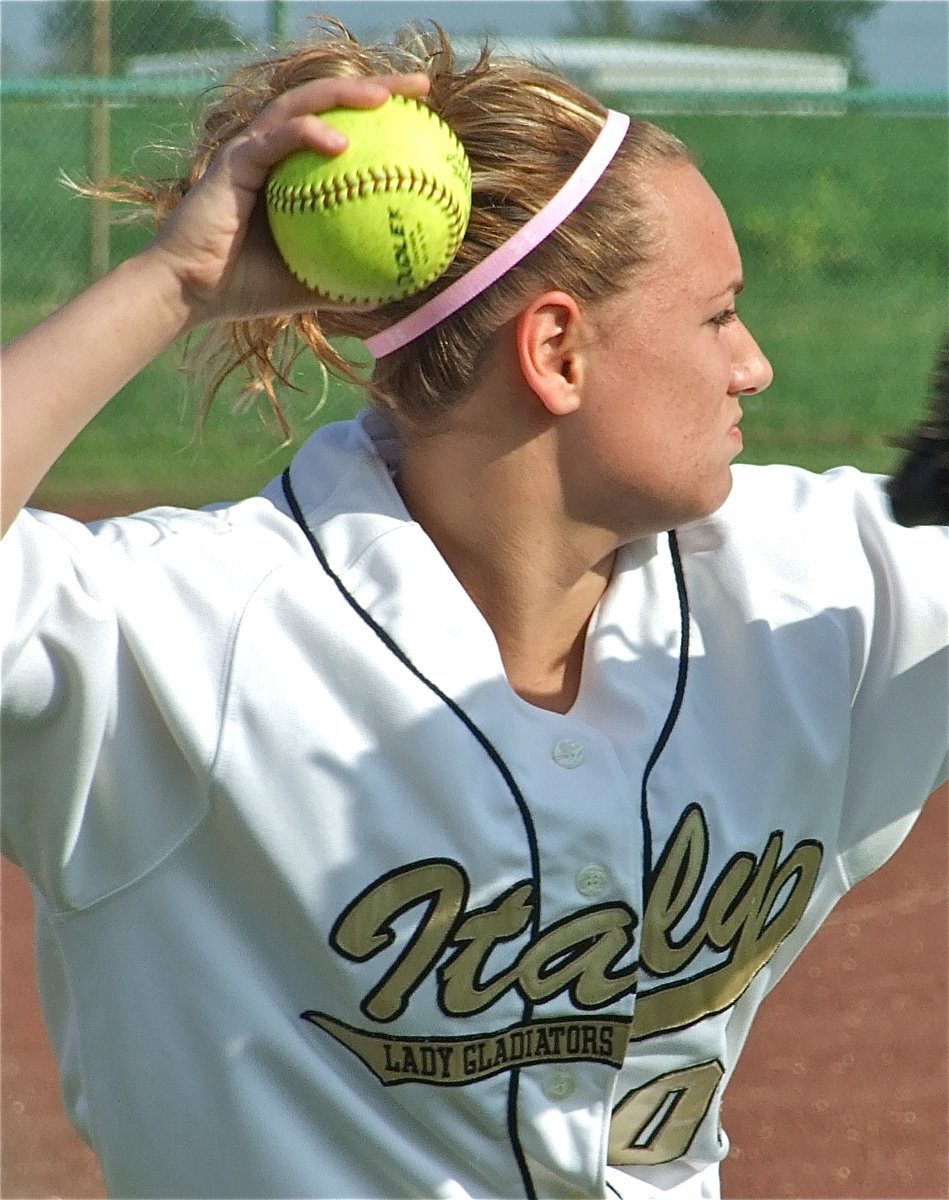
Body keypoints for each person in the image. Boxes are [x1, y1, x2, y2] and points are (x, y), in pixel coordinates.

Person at [1, 20, 946, 1200]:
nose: (751, 365)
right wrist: (171, 284)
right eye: (716, 315)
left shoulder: (827, 583)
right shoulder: (189, 642)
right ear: (555, 350)